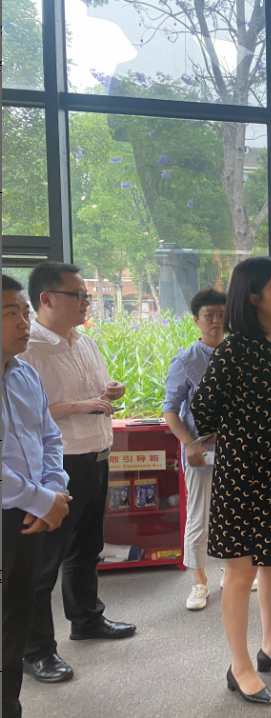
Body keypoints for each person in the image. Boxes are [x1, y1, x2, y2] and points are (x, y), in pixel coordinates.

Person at [191, 257, 271, 706]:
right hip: (244, 473)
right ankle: (239, 666)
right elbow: (202, 411)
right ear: (255, 297)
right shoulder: (234, 350)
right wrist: (243, 429)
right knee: (241, 572)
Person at [20, 262, 136, 686]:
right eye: (79, 296)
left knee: (87, 547)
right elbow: (23, 416)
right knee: (43, 561)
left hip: (96, 455)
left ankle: (86, 619)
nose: (87, 303)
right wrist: (79, 406)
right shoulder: (27, 348)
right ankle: (36, 651)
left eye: (87, 296)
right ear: (47, 299)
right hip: (58, 465)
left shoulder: (84, 341)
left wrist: (111, 391)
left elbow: (97, 390)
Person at [2, 274, 73, 718]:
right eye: (11, 313)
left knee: (15, 616)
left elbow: (49, 438)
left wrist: (55, 490)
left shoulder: (25, 373)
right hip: (15, 511)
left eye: (25, 313)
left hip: (30, 516)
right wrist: (40, 500)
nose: (24, 323)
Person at [162, 288, 260, 611]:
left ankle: (232, 571)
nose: (217, 320)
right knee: (200, 516)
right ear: (196, 320)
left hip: (237, 449)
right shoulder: (185, 361)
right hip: (201, 451)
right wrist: (188, 443)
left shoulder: (241, 354)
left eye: (221, 314)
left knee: (238, 513)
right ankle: (199, 580)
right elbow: (170, 410)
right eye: (209, 315)